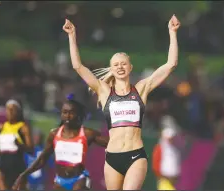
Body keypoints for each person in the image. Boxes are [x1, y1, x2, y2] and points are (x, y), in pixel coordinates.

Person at [62, 14, 180, 190]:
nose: (120, 67)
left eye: (123, 64)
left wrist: (172, 32)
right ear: (112, 68)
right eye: (116, 64)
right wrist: (72, 36)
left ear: (130, 67)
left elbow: (171, 64)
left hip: (135, 155)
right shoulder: (103, 91)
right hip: (113, 157)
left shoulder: (140, 89)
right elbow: (78, 67)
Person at [12, 94, 109, 190]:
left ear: (78, 115)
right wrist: (24, 174)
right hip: (60, 181)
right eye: (65, 112)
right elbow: (42, 159)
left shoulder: (87, 134)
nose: (68, 116)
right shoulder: (54, 134)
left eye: (71, 113)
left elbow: (112, 144)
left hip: (80, 179)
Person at [0, 99, 34, 190]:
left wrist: (20, 145)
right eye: (8, 109)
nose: (10, 112)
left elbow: (31, 150)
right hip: (3, 164)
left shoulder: (23, 127)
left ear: (18, 111)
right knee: (0, 181)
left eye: (13, 109)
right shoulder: (2, 127)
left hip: (16, 165)